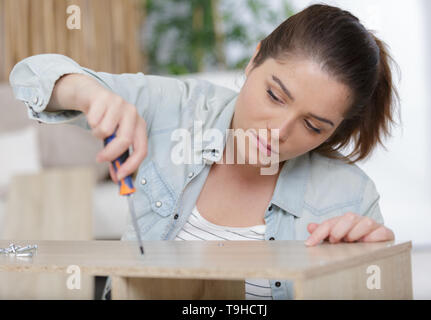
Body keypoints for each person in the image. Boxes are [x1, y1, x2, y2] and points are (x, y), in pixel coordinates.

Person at [9, 4, 399, 300]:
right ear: (254, 59)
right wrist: (90, 94)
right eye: (274, 95)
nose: (278, 132)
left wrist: (364, 270)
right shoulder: (175, 109)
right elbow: (31, 76)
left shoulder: (350, 198)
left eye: (313, 126)